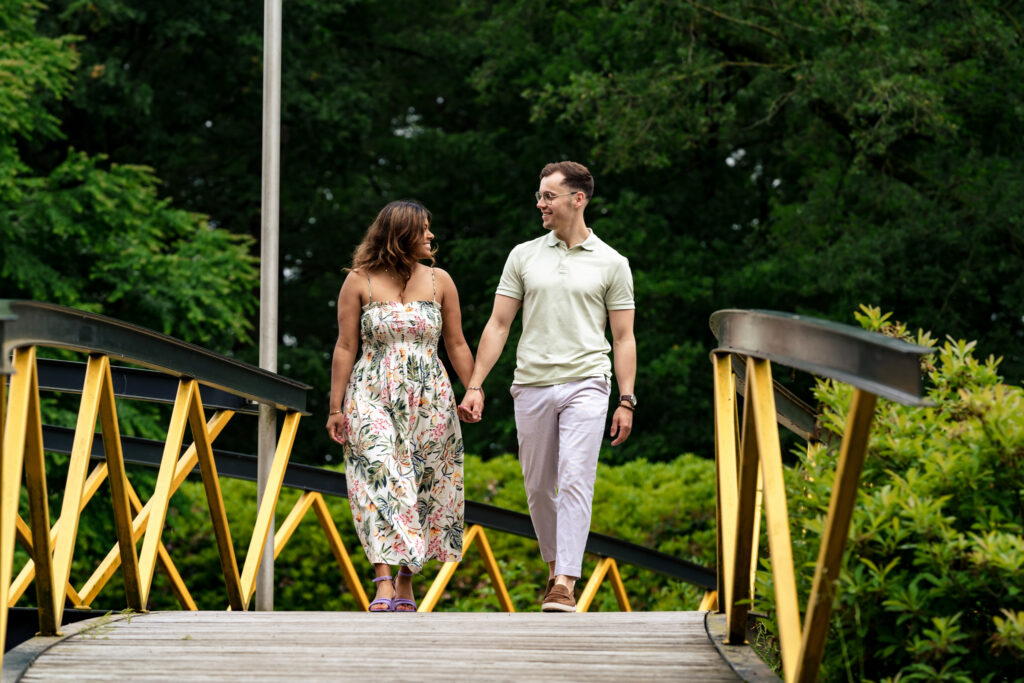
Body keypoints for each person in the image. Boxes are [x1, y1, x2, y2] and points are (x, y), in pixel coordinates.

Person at [459, 161, 636, 612]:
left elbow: (623, 337)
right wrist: (476, 384)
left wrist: (627, 399)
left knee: (577, 477)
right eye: (540, 195)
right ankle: (557, 561)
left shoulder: (613, 263)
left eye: (548, 196)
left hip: (588, 383)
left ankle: (565, 581)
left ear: (578, 199)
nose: (540, 203)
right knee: (538, 486)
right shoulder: (523, 255)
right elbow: (499, 325)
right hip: (532, 384)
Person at [326, 200, 475, 612]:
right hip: (371, 392)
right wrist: (335, 408)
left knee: (426, 484)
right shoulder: (359, 281)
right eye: (423, 229)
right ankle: (383, 580)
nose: (431, 236)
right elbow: (344, 346)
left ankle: (407, 579)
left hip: (431, 397)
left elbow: (457, 343)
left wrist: (474, 387)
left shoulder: (441, 280)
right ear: (400, 234)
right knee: (379, 477)